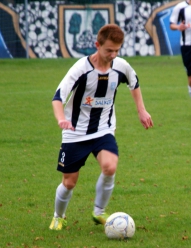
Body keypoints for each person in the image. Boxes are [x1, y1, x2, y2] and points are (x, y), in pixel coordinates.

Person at [49, 24, 153, 230]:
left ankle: (99, 212)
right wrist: (61, 118)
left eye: (117, 50)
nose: (113, 54)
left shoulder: (121, 66)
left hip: (103, 129)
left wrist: (141, 110)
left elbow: (134, 83)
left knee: (110, 166)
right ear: (97, 45)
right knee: (69, 183)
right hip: (75, 133)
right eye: (109, 50)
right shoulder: (81, 68)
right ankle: (58, 216)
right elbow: (58, 96)